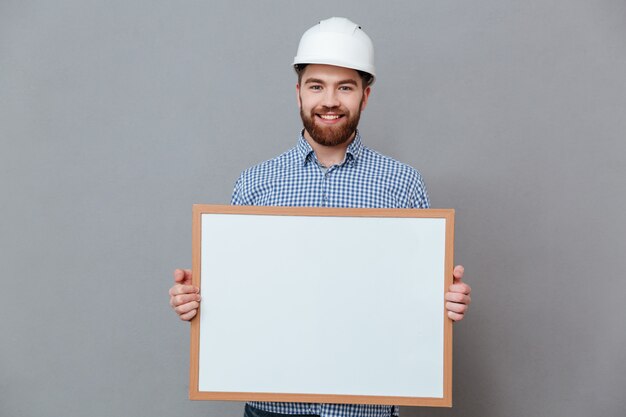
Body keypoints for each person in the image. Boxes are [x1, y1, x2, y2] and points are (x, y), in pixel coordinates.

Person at [169, 17, 472, 417]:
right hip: (271, 408)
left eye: (344, 87)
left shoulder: (403, 185)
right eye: (317, 86)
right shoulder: (255, 185)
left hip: (367, 409)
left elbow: (413, 303)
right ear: (298, 93)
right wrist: (197, 301)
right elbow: (244, 296)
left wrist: (444, 302)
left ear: (365, 96)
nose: (329, 100)